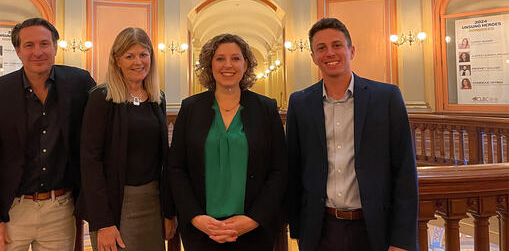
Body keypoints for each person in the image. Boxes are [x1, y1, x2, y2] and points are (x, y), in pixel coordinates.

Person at [286, 18, 418, 251]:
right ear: (313, 57)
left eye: (337, 45)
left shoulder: (386, 98)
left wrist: (401, 240)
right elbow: (295, 169)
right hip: (320, 230)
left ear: (351, 50)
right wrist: (299, 232)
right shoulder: (300, 103)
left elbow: (405, 171)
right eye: (321, 48)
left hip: (374, 228)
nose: (330, 53)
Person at [0, 18, 96, 251]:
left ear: (55, 47)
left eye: (44, 44)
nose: (38, 52)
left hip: (60, 208)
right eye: (29, 45)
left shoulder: (79, 83)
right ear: (17, 51)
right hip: (11, 211)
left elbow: (102, 124)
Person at [168, 33, 288, 251]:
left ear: (246, 64)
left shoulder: (266, 109)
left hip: (253, 230)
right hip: (202, 230)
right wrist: (195, 217)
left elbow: (279, 170)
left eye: (235, 58)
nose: (228, 65)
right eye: (220, 58)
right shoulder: (190, 108)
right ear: (209, 65)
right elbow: (176, 168)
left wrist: (253, 218)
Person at [76, 27, 176, 251]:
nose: (137, 62)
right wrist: (103, 223)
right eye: (129, 56)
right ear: (116, 60)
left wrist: (169, 211)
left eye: (143, 54)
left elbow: (164, 160)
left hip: (152, 202)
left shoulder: (157, 97)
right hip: (115, 205)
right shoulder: (101, 98)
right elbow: (90, 162)